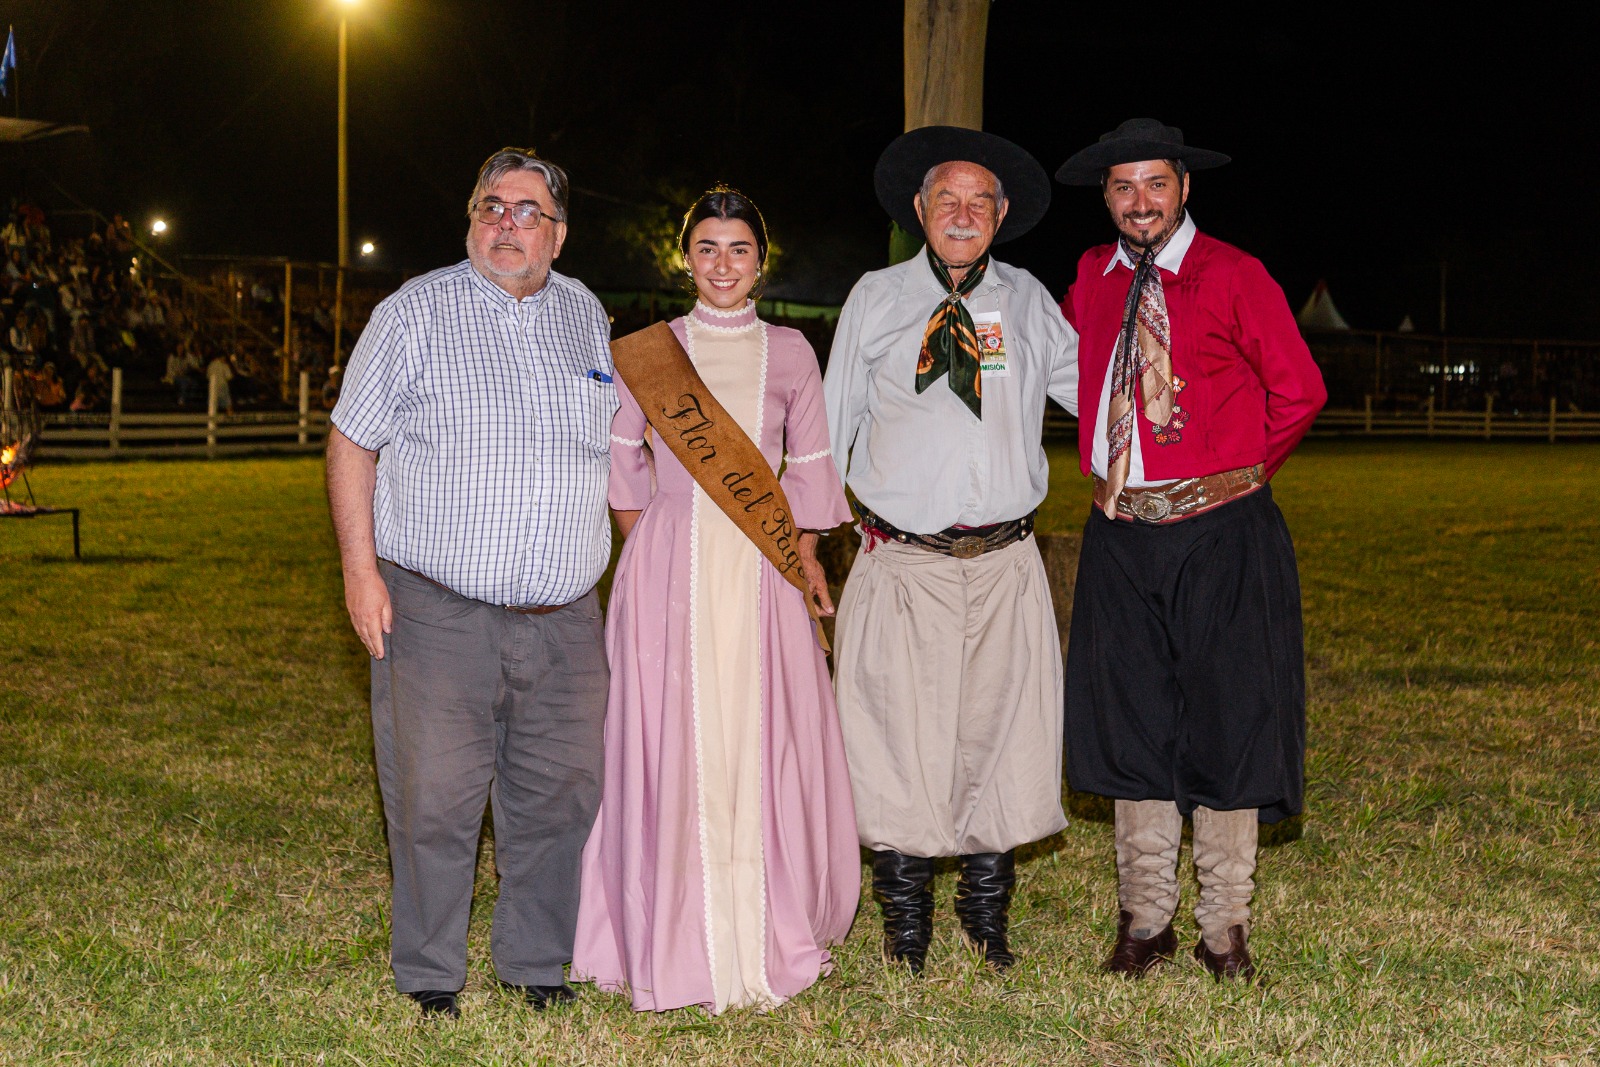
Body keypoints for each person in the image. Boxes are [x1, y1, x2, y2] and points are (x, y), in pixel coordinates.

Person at [326, 147, 616, 1020]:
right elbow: (352, 441)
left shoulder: (588, 317)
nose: (506, 223)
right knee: (434, 796)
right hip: (438, 606)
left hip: (565, 616)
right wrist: (359, 568)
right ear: (470, 219)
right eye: (492, 206)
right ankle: (429, 973)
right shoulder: (415, 311)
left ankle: (536, 963)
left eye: (528, 211)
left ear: (558, 236)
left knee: (560, 795)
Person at [573, 189, 858, 1014]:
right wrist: (666, 545)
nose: (722, 263)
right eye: (707, 247)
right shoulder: (647, 354)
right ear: (684, 256)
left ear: (760, 261)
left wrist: (795, 558)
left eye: (738, 248)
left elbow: (808, 477)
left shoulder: (795, 352)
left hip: (764, 574)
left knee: (760, 734)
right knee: (673, 739)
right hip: (669, 569)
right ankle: (673, 933)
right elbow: (624, 474)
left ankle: (766, 924)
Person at [1055, 118, 1327, 981]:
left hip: (1223, 534)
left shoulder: (1236, 274)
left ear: (1183, 188)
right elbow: (1076, 377)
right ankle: (1144, 917)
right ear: (1107, 198)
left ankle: (1223, 926)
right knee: (1132, 721)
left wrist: (1232, 476)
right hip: (1121, 534)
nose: (1142, 202)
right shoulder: (1090, 280)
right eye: (1124, 187)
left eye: (1156, 184)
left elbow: (1299, 390)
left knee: (1228, 721)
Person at [823, 127, 1080, 974]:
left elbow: (1099, 392)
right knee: (897, 735)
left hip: (1004, 563)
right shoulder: (877, 297)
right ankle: (907, 924)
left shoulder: (1029, 302)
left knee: (999, 735)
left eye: (981, 201)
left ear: (1001, 215)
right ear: (920, 210)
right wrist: (808, 537)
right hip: (902, 563)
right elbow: (831, 423)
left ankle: (985, 916)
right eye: (948, 199)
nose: (963, 213)